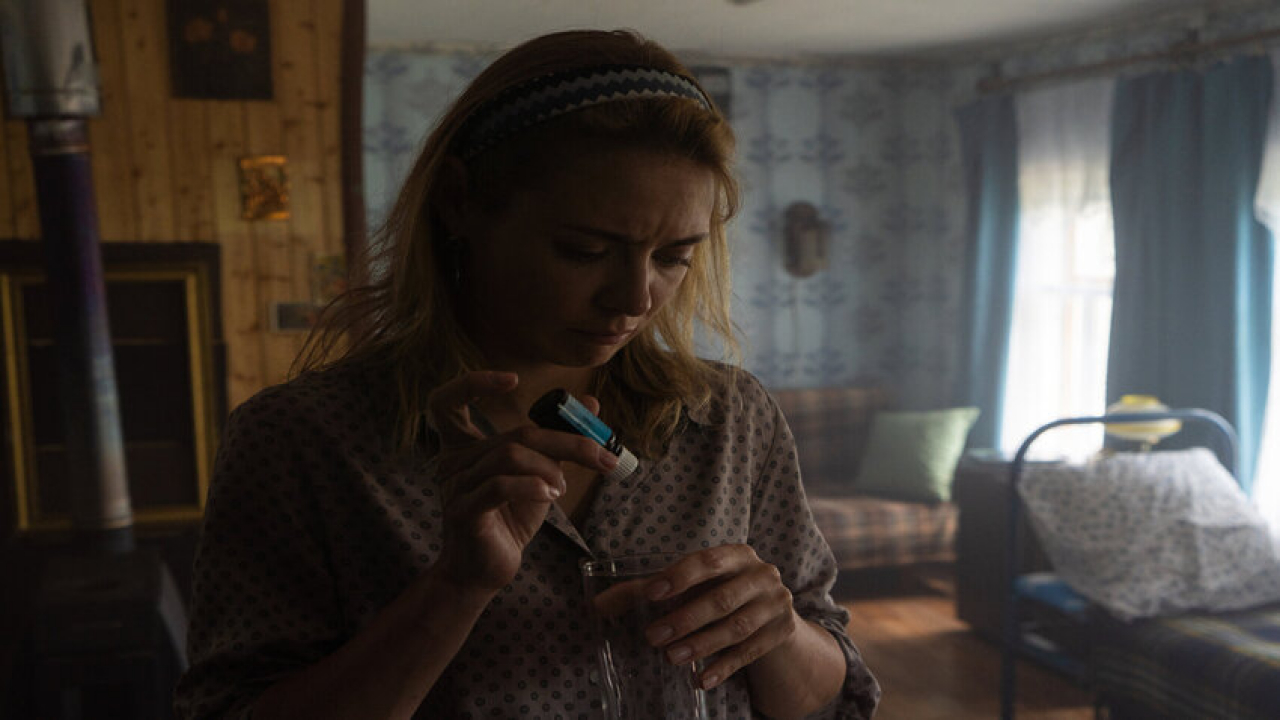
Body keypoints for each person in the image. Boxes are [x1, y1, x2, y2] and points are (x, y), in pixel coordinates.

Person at [174, 28, 880, 720]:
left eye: (674, 257)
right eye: (584, 251)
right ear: (460, 202)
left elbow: (831, 693)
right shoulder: (304, 442)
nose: (635, 299)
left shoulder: (729, 418)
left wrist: (777, 632)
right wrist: (456, 587)